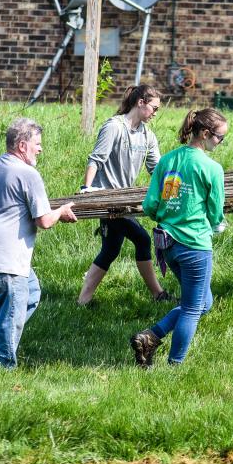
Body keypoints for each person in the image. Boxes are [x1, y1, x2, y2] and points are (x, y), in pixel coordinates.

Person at [0, 118, 78, 368]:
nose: (40, 149)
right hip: (7, 256)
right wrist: (61, 211)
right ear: (22, 145)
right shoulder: (28, 173)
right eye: (37, 144)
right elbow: (44, 220)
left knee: (30, 293)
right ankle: (3, 369)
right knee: (11, 315)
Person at [130, 108, 228, 366]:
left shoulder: (167, 161)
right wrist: (217, 225)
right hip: (195, 245)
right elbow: (216, 212)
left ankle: (150, 337)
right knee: (193, 309)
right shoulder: (212, 168)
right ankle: (175, 365)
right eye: (220, 138)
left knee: (202, 302)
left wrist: (169, 214)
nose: (220, 143)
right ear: (205, 133)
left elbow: (150, 205)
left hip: (167, 245)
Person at [77, 84, 172, 305]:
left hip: (124, 201)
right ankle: (158, 294)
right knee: (142, 238)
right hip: (106, 199)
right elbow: (96, 159)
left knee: (110, 249)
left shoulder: (147, 135)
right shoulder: (114, 127)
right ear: (141, 103)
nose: (156, 113)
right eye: (154, 108)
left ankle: (83, 300)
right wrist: (86, 190)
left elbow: (156, 169)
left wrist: (172, 190)